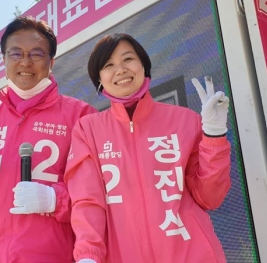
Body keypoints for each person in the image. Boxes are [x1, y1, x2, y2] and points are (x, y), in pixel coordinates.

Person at [65, 33, 231, 263]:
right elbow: (87, 201)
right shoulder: (87, 130)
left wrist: (214, 135)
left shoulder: (184, 120)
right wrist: (88, 255)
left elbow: (209, 198)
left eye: (128, 59)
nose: (120, 69)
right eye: (108, 65)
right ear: (99, 78)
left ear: (143, 64)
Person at [0, 16, 97, 262]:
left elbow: (100, 195)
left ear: (52, 62)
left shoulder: (80, 116)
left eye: (36, 54)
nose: (26, 62)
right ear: (4, 60)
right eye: (16, 54)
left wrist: (55, 199)